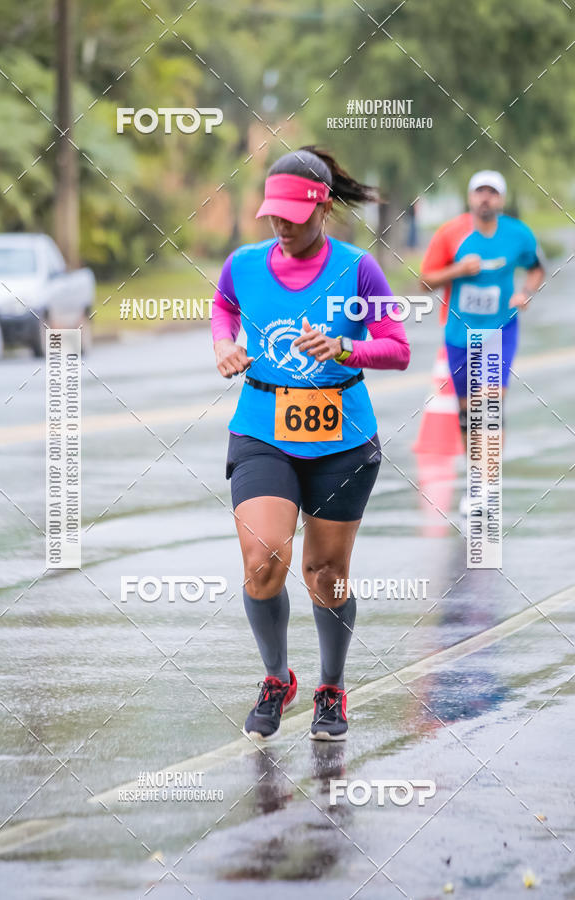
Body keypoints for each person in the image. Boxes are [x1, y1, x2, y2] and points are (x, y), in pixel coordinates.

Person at [211, 146, 410, 741]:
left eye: (293, 215)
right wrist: (223, 344)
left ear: (322, 207)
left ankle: (331, 688)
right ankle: (277, 677)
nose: (281, 224)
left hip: (341, 440)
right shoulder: (243, 265)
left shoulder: (359, 269)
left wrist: (346, 349)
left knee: (327, 573)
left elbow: (397, 348)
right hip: (262, 429)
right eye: (274, 214)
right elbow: (224, 309)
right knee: (263, 559)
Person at [420, 170, 545, 513]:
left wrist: (525, 292)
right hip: (459, 333)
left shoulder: (518, 234)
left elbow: (536, 268)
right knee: (467, 413)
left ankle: (485, 485)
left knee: (488, 406)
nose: (485, 198)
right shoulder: (451, 233)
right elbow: (424, 281)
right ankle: (478, 477)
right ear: (470, 197)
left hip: (501, 327)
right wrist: (457, 271)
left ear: (501, 199)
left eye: (492, 192)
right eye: (479, 192)